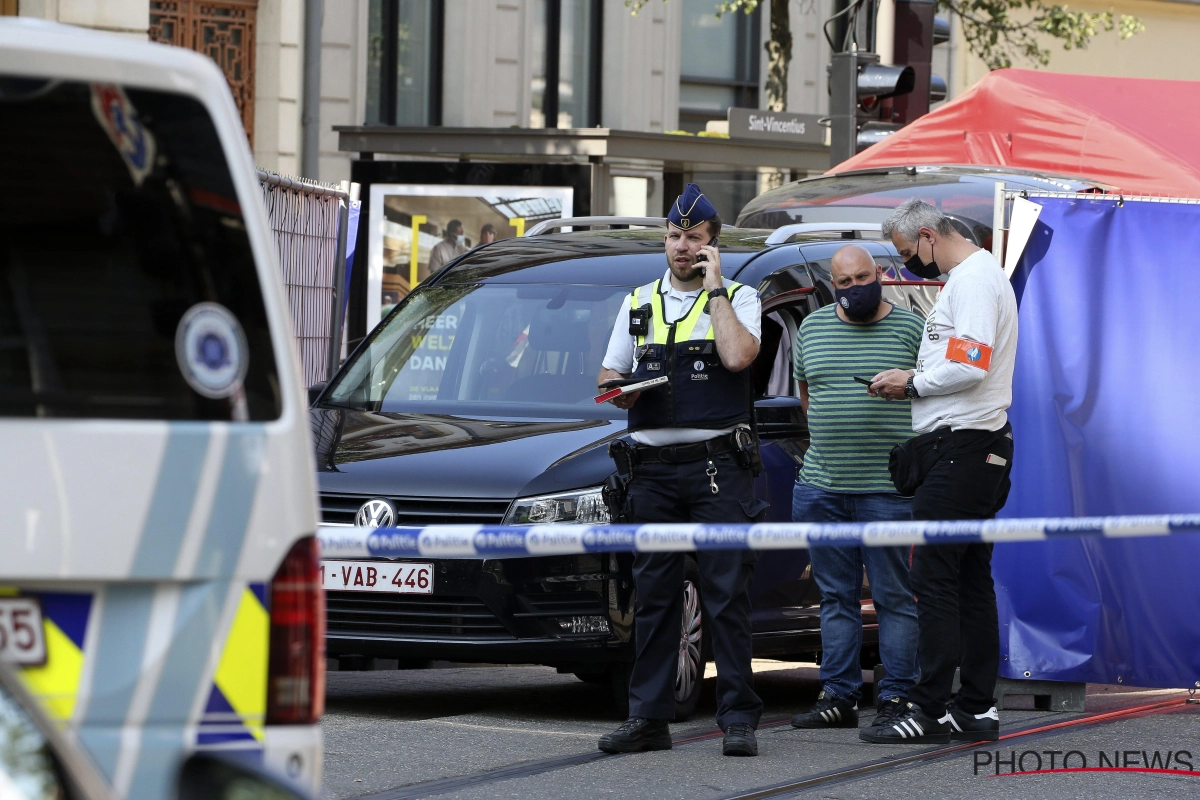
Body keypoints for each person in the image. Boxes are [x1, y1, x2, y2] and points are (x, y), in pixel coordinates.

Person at [596, 183, 765, 758]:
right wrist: (616, 393)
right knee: (656, 594)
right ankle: (648, 717)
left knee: (725, 593)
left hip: (717, 467)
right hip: (652, 472)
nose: (682, 246)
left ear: (713, 246)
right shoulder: (638, 300)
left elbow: (739, 357)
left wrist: (715, 287)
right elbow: (606, 375)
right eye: (674, 236)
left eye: (694, 238)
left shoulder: (739, 297)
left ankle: (737, 716)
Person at [861, 198, 1018, 745]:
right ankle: (974, 708)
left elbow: (970, 364)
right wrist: (916, 376)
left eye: (908, 254)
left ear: (929, 235)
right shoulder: (974, 277)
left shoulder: (972, 280)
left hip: (961, 447)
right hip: (974, 446)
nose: (908, 267)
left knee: (936, 580)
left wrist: (912, 383)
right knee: (971, 581)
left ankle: (927, 709)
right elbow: (965, 359)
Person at [788, 244, 923, 734]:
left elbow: (929, 394)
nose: (854, 289)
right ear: (832, 283)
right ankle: (838, 695)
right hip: (823, 486)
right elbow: (808, 399)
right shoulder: (813, 328)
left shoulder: (910, 329)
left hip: (887, 490)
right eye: (844, 283)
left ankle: (898, 696)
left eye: (862, 278)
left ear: (880, 275)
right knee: (835, 597)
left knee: (893, 596)